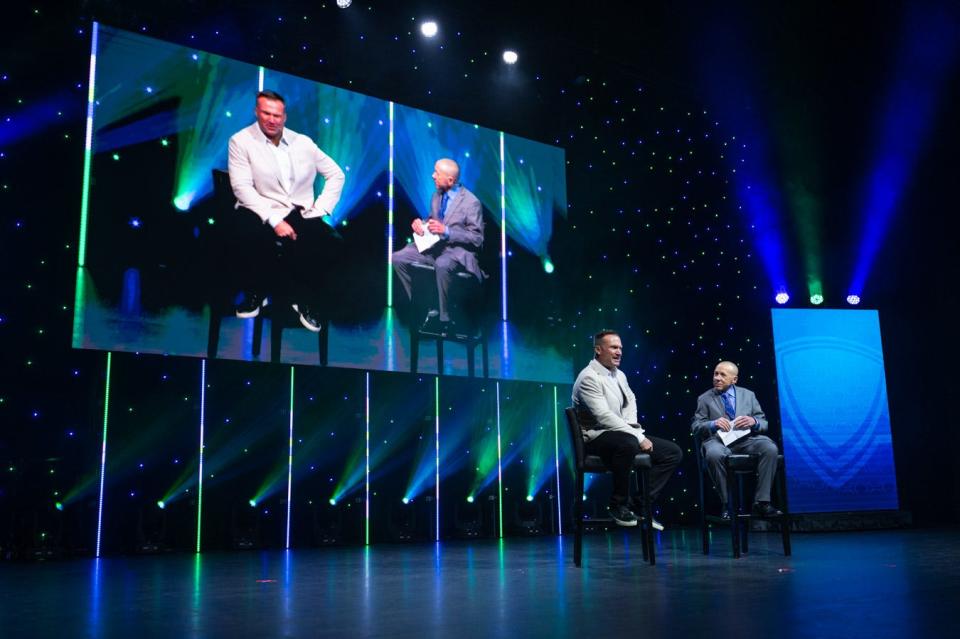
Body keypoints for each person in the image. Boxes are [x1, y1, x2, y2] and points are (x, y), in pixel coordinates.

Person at [227, 89, 345, 331]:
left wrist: (320, 208)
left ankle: (302, 300)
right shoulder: (241, 140)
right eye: (266, 113)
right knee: (249, 233)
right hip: (258, 207)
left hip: (297, 210)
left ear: (285, 117)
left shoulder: (303, 143)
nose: (272, 120)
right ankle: (256, 295)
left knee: (330, 241)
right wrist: (274, 221)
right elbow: (241, 188)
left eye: (277, 115)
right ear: (256, 112)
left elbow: (336, 174)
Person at [572, 330, 683, 528]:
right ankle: (618, 504)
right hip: (596, 437)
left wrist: (633, 428)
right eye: (614, 347)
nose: (619, 352)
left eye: (621, 348)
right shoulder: (588, 377)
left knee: (672, 452)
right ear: (598, 350)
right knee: (629, 443)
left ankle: (641, 505)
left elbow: (630, 400)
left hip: (622, 433)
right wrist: (637, 436)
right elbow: (603, 417)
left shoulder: (619, 374)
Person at [392, 158, 484, 333]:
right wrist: (421, 224)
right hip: (435, 246)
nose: (433, 176)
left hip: (457, 251)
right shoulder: (436, 196)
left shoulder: (471, 202)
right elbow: (433, 220)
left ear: (450, 180)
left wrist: (447, 231)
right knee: (397, 257)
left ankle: (444, 318)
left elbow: (477, 238)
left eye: (437, 173)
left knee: (442, 264)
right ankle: (421, 305)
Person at [691, 361, 783, 518]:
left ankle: (762, 502)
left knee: (770, 448)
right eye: (715, 374)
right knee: (713, 454)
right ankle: (728, 504)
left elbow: (763, 422)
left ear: (734, 379)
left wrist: (753, 422)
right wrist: (713, 424)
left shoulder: (748, 395)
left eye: (722, 375)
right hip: (717, 441)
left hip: (746, 440)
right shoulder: (704, 398)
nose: (717, 378)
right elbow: (696, 426)